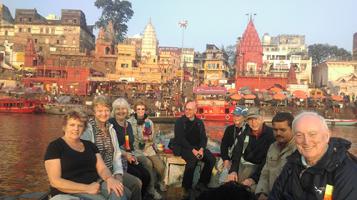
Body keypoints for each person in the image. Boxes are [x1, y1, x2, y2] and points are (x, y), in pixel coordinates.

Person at [269, 112, 357, 200]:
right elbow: (275, 195)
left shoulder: (347, 172)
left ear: (327, 136)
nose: (306, 141)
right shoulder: (291, 164)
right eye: (299, 135)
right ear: (294, 138)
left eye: (312, 134)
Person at [44, 110, 126, 200]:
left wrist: (109, 178)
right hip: (68, 192)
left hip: (95, 186)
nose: (76, 128)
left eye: (80, 125)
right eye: (72, 125)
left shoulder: (90, 145)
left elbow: (102, 168)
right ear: (65, 127)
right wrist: (87, 188)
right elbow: (55, 181)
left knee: (118, 192)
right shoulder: (55, 146)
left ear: (84, 128)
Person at [81, 95, 142, 200]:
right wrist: (108, 178)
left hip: (112, 170)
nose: (104, 114)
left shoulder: (111, 129)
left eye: (106, 110)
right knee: (122, 194)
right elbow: (86, 158)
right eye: (100, 111)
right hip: (97, 175)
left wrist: (118, 174)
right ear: (94, 112)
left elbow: (116, 155)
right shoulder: (88, 129)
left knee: (137, 183)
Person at [108, 98, 151, 199]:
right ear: (114, 111)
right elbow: (111, 145)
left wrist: (132, 155)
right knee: (138, 175)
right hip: (118, 159)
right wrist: (125, 154)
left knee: (146, 174)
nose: (121, 111)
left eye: (123, 108)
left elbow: (130, 145)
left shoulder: (128, 125)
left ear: (127, 110)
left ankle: (142, 195)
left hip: (128, 156)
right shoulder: (110, 124)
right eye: (117, 109)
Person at [173, 100, 216, 199]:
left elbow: (203, 138)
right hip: (183, 147)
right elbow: (180, 139)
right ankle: (186, 187)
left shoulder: (199, 122)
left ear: (195, 110)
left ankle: (201, 183)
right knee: (193, 159)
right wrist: (193, 150)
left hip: (197, 147)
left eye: (190, 110)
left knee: (211, 159)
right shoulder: (179, 122)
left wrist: (201, 149)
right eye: (186, 109)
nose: (187, 111)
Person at [227, 107, 275, 191]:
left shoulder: (271, 135)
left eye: (256, 119)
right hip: (244, 165)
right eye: (250, 120)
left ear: (262, 119)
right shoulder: (244, 132)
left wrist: (253, 178)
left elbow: (267, 160)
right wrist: (233, 170)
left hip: (262, 168)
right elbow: (237, 153)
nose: (253, 123)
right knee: (230, 185)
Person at [128, 101, 167, 199]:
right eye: (138, 109)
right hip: (136, 150)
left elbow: (152, 138)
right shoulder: (130, 122)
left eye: (142, 109)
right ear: (135, 110)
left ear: (145, 110)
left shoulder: (149, 122)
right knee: (148, 164)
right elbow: (130, 138)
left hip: (148, 148)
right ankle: (152, 190)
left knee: (161, 167)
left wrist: (149, 139)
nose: (141, 111)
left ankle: (160, 182)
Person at [255, 112, 296, 200]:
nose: (278, 133)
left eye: (282, 130)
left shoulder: (299, 150)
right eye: (275, 130)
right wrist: (262, 192)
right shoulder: (272, 147)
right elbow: (265, 173)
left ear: (293, 129)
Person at [219, 106, 248, 184]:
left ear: (244, 117)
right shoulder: (229, 129)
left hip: (242, 162)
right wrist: (225, 159)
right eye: (234, 115)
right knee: (223, 182)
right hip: (230, 160)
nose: (235, 118)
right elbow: (224, 145)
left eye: (238, 116)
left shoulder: (249, 130)